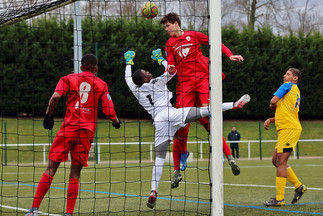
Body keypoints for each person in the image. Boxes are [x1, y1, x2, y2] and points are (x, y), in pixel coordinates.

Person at [123, 50, 249, 209]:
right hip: (171, 114)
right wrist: (161, 60)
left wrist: (128, 62)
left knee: (160, 158)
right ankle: (234, 105)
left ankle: (153, 191)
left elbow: (128, 79)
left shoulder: (136, 89)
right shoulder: (157, 82)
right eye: (146, 72)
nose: (149, 72)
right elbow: (172, 71)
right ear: (146, 78)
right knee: (203, 111)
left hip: (159, 122)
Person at [25, 54, 121, 216]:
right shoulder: (101, 84)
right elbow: (108, 110)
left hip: (68, 128)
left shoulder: (68, 79)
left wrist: (48, 114)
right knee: (75, 172)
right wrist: (116, 121)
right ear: (96, 69)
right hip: (86, 132)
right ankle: (68, 213)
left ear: (82, 66)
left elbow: (55, 96)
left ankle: (33, 210)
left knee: (51, 168)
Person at [159, 12, 246, 178]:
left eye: (167, 26)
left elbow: (215, 42)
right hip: (184, 85)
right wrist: (170, 68)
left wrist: (229, 54)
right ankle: (179, 165)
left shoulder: (194, 35)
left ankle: (228, 157)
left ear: (176, 23)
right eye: (165, 27)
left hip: (202, 81)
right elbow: (171, 63)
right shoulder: (169, 44)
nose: (166, 29)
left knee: (209, 118)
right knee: (181, 122)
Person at [263, 68, 306, 207]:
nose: (284, 75)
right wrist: (271, 119)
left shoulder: (287, 86)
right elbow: (284, 112)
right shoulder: (294, 91)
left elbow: (273, 101)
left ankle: (280, 198)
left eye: (288, 74)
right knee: (276, 161)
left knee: (280, 162)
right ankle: (299, 186)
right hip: (286, 129)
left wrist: (271, 104)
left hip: (289, 129)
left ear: (295, 78)